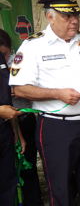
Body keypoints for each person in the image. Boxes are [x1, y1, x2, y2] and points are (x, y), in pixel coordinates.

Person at [9, 0, 80, 206]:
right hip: (56, 128)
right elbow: (20, 89)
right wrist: (58, 94)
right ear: (50, 17)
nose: (74, 21)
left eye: (76, 16)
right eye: (67, 17)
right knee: (60, 187)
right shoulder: (32, 46)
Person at [0, 29, 44, 206]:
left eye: (4, 53)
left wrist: (22, 90)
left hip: (20, 120)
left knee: (26, 168)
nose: (2, 58)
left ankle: (33, 201)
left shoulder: (20, 61)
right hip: (7, 123)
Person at [0, 36, 24, 206]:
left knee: (8, 183)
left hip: (4, 132)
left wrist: (16, 133)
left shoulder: (1, 58)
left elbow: (6, 101)